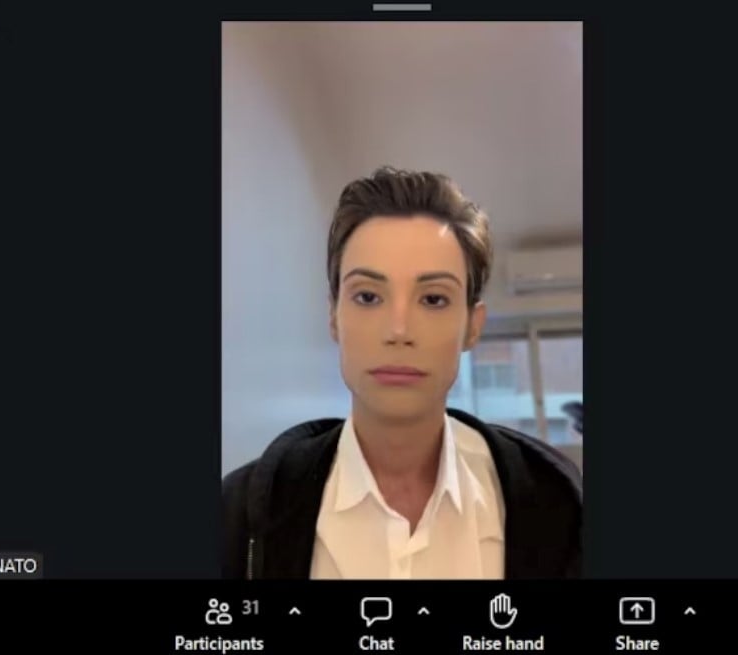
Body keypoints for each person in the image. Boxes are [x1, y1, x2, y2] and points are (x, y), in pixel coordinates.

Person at [222, 166, 582, 579]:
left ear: (473, 326)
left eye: (433, 299)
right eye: (368, 296)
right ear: (334, 316)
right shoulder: (236, 515)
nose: (398, 330)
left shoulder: (559, 504)